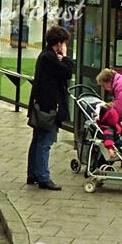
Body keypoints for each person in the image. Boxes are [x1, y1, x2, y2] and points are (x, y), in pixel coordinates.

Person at [27, 26, 74, 191]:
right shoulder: (50, 58)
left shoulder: (45, 55)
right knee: (45, 142)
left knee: (37, 140)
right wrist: (66, 57)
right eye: (63, 43)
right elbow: (68, 72)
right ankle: (43, 177)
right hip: (49, 108)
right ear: (59, 43)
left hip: (41, 105)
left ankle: (33, 173)